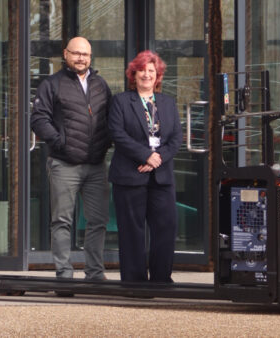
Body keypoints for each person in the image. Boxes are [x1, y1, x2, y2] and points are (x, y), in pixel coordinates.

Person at [30, 36, 111, 281]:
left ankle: (95, 274)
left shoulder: (100, 85)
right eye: (76, 53)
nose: (81, 58)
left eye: (85, 54)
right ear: (65, 54)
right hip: (64, 164)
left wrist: (107, 143)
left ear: (91, 56)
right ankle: (64, 274)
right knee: (62, 221)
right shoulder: (52, 84)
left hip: (96, 165)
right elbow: (38, 119)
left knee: (97, 221)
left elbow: (111, 118)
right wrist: (60, 143)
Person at [108, 50, 183, 282]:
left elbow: (177, 138)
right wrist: (145, 156)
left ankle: (161, 279)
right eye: (142, 70)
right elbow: (117, 134)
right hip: (129, 176)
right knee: (132, 231)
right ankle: (134, 281)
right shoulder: (120, 101)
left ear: (158, 75)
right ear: (134, 73)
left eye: (151, 70)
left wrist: (156, 159)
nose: (146, 74)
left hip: (161, 178)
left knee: (166, 227)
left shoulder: (168, 103)